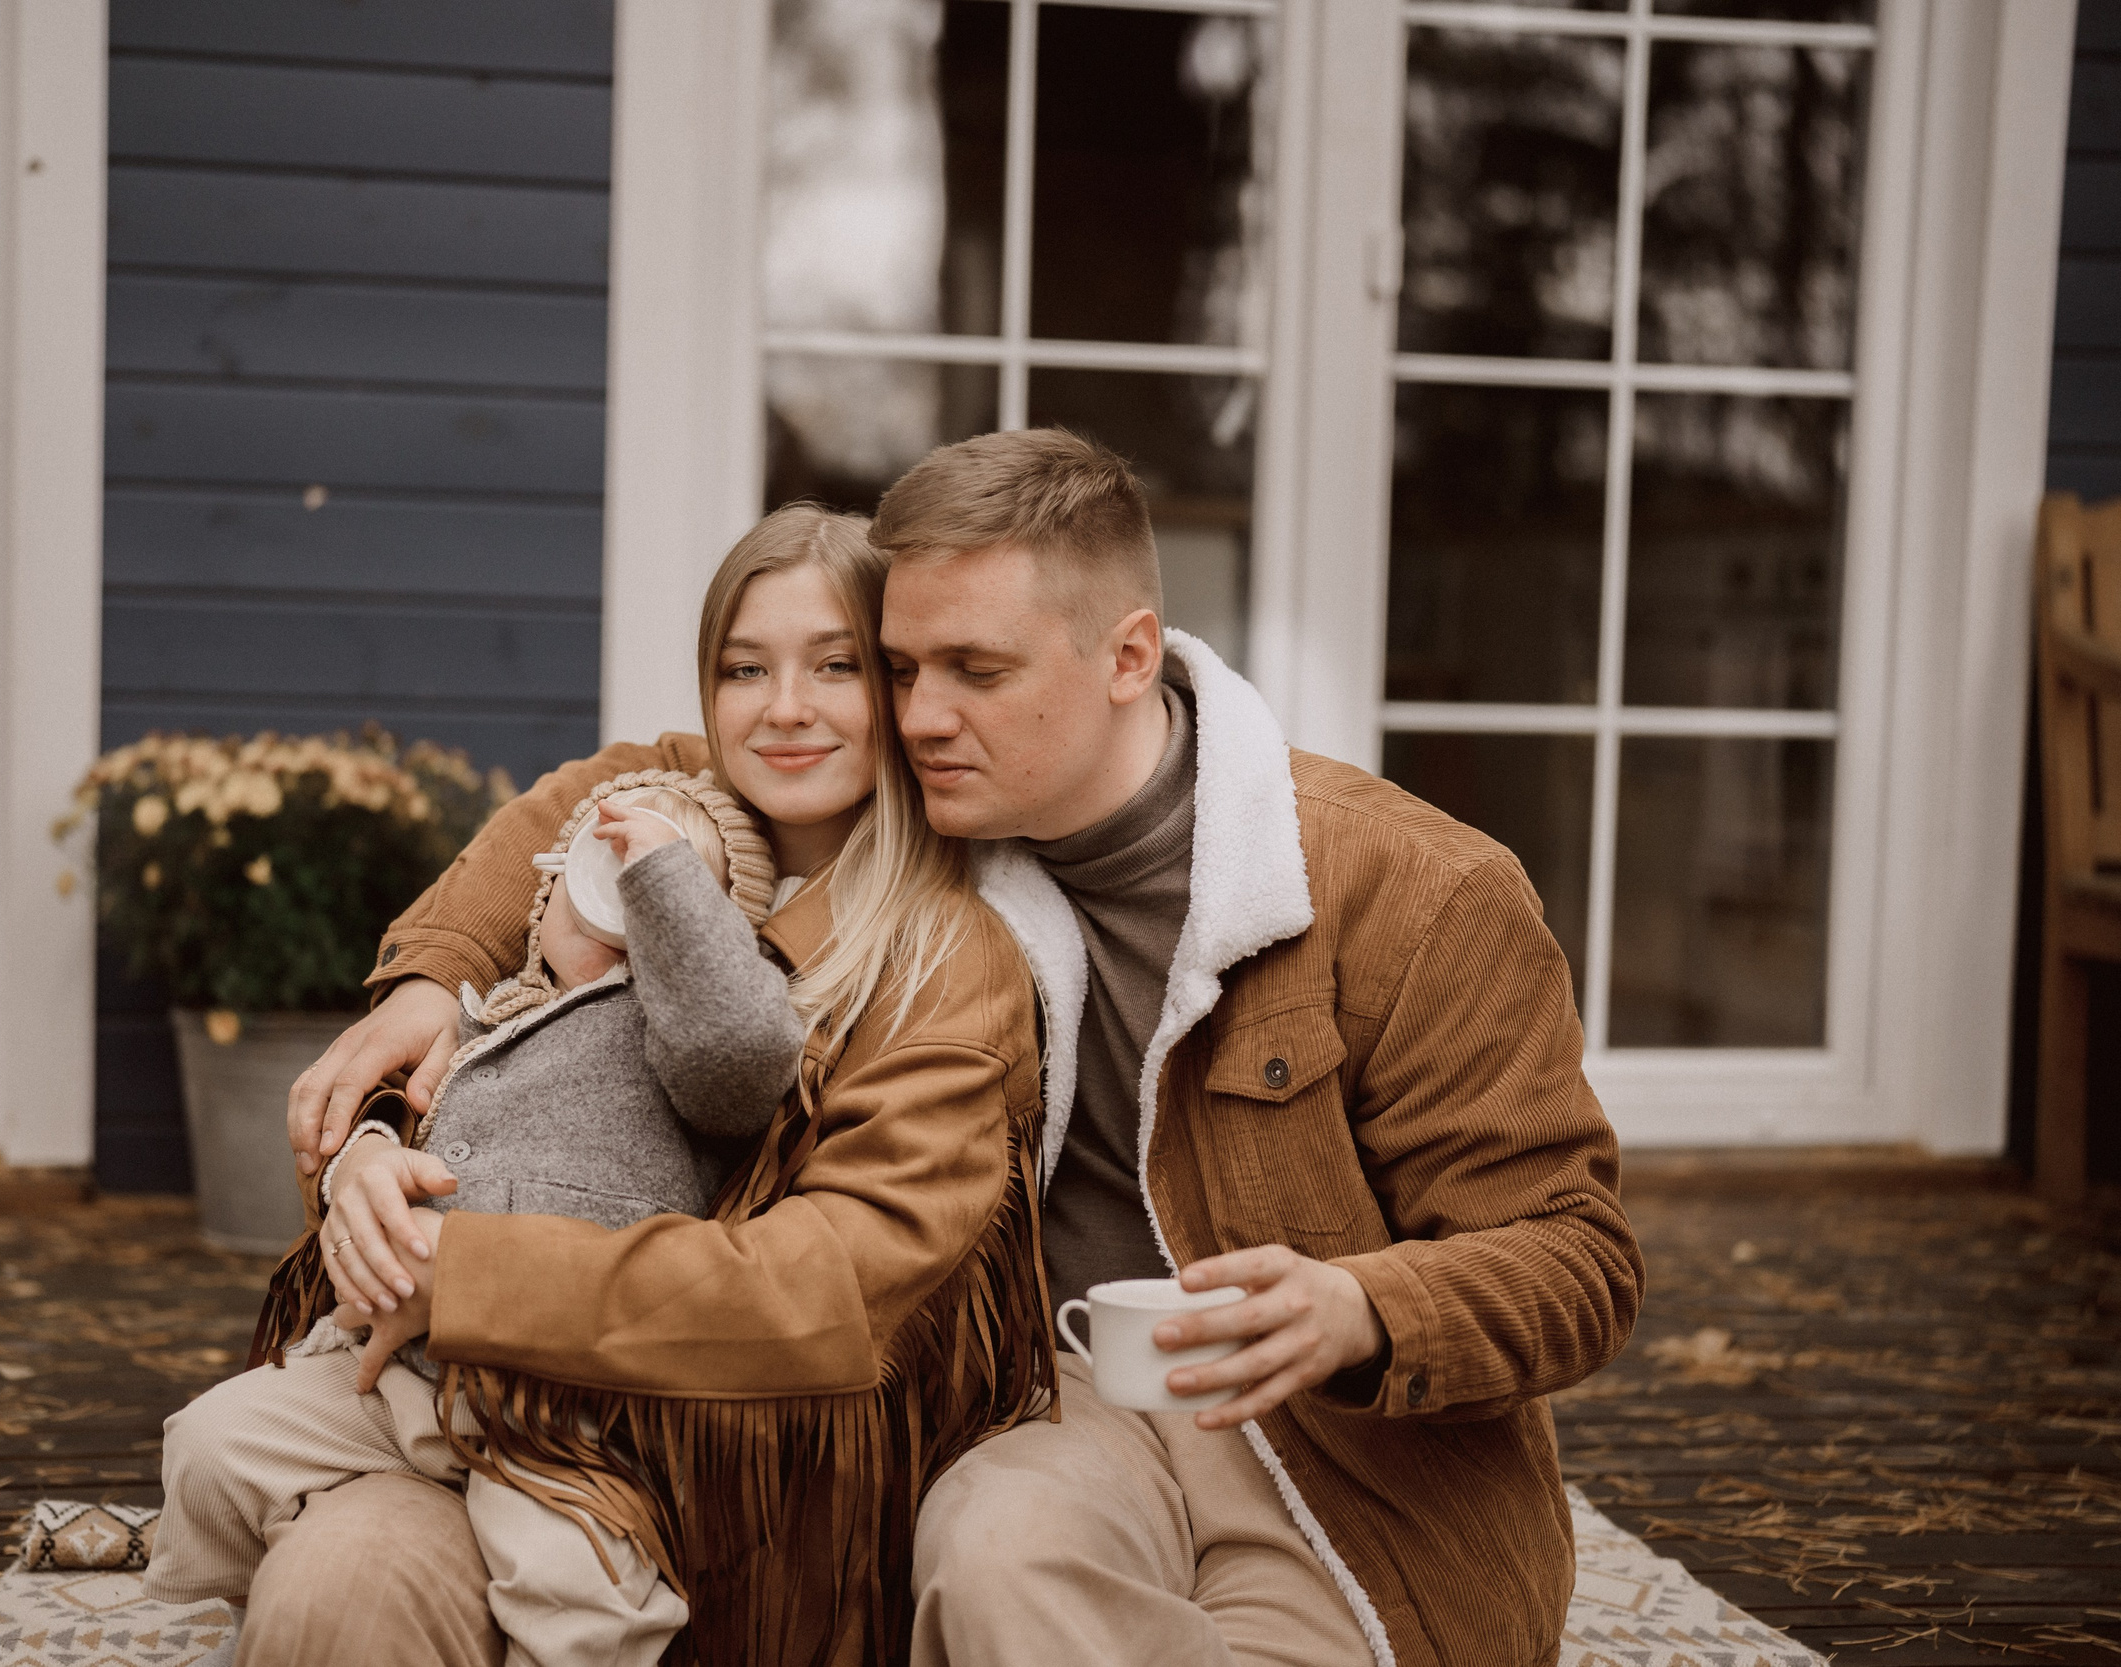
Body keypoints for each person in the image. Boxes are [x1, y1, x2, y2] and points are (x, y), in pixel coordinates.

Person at [290, 430, 1645, 1667]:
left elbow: (1577, 1253)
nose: (920, 713)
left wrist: (1363, 1309)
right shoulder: (938, 803)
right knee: (992, 1548)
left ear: (1127, 655)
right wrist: (434, 974)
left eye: (976, 671)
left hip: (1345, 1457)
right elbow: (628, 777)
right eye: (899, 666)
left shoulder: (1414, 889)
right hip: (1068, 1401)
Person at [243, 503, 1060, 1667]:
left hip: (721, 1486)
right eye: (743, 668)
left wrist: (464, 1273)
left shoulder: (945, 965)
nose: (782, 707)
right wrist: (380, 1140)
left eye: (836, 665)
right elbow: (502, 1037)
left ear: (901, 692)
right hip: (468, 1411)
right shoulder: (631, 837)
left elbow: (824, 1293)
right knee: (332, 1590)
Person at [145, 773, 803, 1667]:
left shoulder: (679, 1040)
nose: (619, 912)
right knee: (207, 1447)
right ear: (544, 898)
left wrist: (665, 882)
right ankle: (251, 1609)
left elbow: (739, 1049)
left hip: (560, 1403)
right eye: (596, 882)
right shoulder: (487, 1011)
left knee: (576, 1608)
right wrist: (366, 1149)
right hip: (408, 1373)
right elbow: (409, 1116)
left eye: (662, 896)